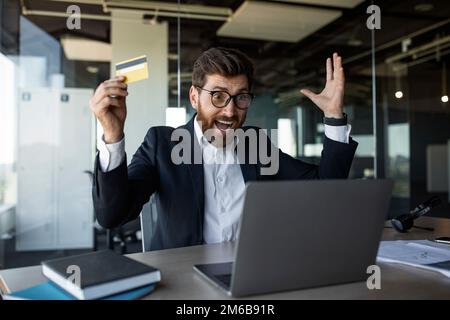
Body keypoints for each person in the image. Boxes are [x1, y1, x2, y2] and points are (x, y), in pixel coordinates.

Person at [90, 47, 357, 250]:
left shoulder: (254, 144)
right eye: (218, 96)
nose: (230, 111)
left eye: (241, 97)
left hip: (250, 274)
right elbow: (113, 216)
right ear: (195, 97)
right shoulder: (162, 144)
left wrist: (334, 117)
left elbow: (325, 186)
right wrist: (112, 136)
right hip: (184, 280)